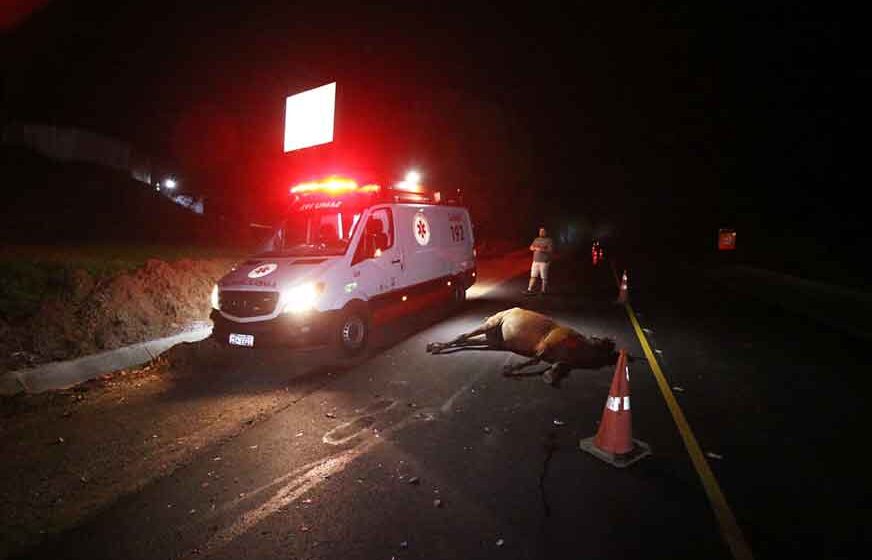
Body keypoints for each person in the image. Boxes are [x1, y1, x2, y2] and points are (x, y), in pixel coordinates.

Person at [524, 226, 554, 295]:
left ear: (546, 232)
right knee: (533, 275)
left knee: (544, 277)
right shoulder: (536, 239)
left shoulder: (549, 240)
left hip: (544, 261)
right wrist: (532, 248)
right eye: (540, 231)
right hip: (535, 261)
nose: (541, 232)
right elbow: (531, 247)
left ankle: (543, 291)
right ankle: (529, 290)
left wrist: (541, 249)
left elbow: (550, 250)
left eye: (543, 231)